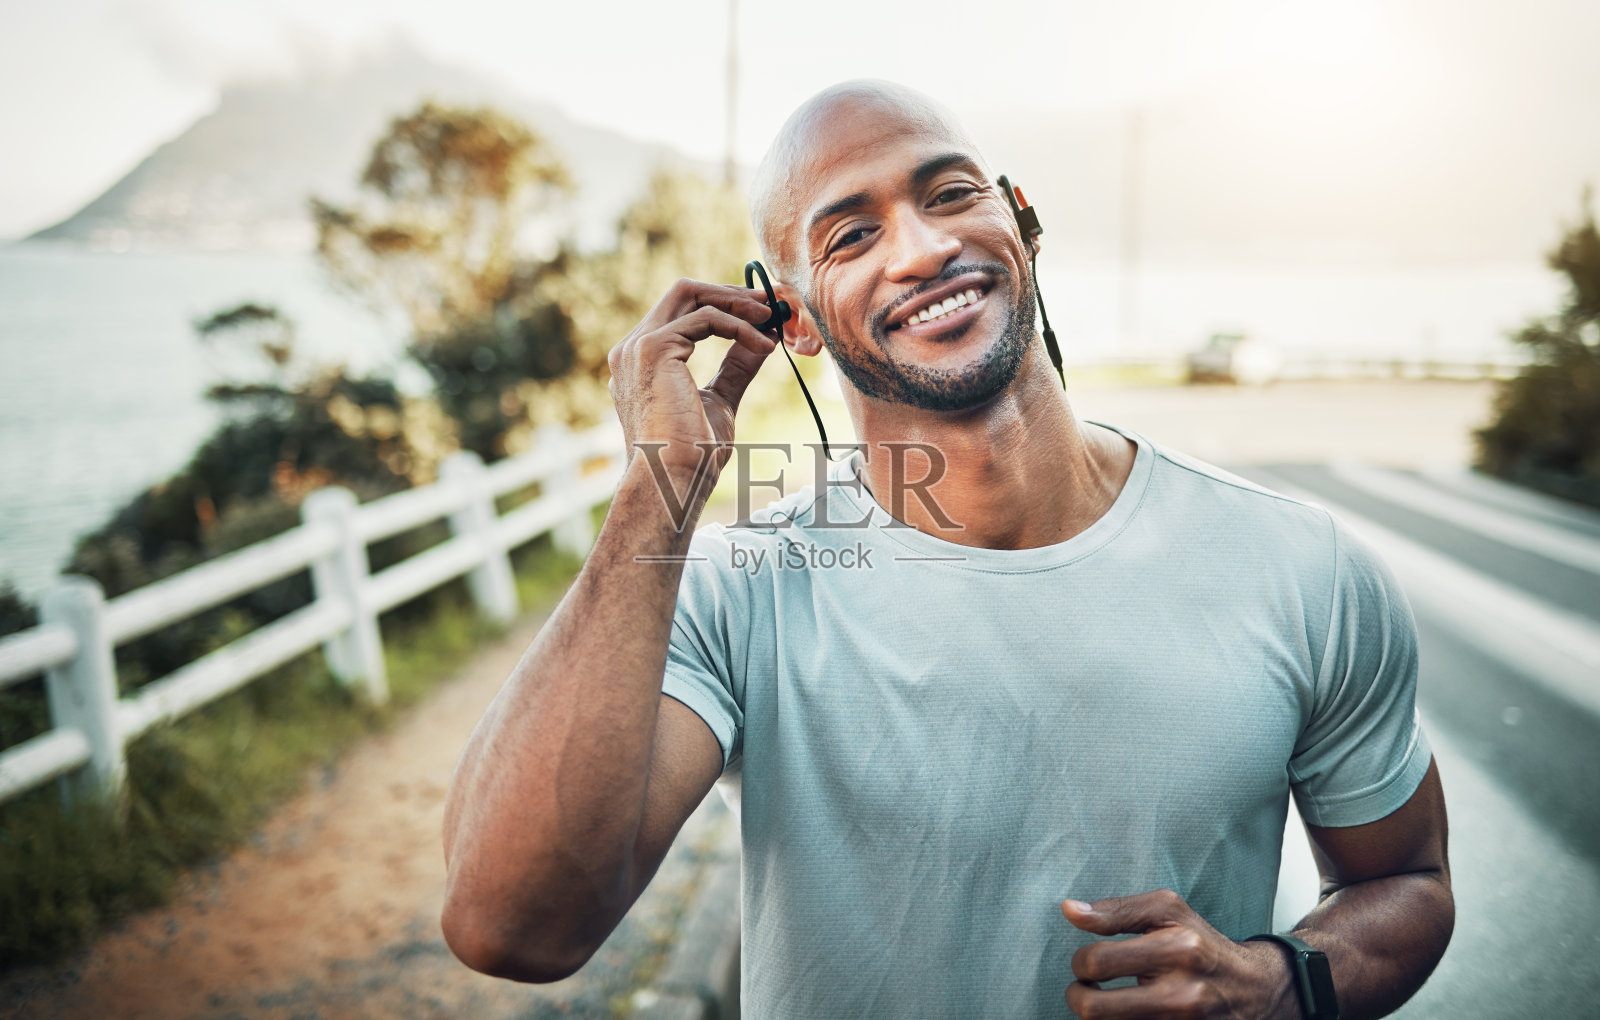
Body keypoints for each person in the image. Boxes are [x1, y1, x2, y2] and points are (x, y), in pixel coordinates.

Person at [440, 80, 1453, 1019]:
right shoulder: (731, 594)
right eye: (850, 235)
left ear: (1021, 221)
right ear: (791, 318)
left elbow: (1406, 881)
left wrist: (1278, 984)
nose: (922, 249)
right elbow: (511, 928)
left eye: (951, 193)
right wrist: (657, 489)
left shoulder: (1299, 564)